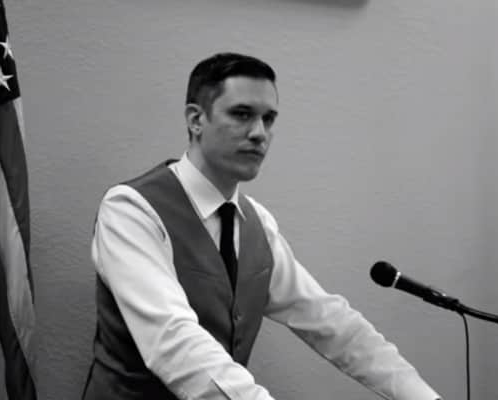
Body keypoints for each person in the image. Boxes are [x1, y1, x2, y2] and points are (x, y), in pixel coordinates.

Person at [82, 52, 442, 400]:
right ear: (196, 120)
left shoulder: (257, 223)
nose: (259, 133)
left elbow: (331, 323)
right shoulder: (131, 210)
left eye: (268, 119)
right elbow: (173, 340)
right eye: (242, 114)